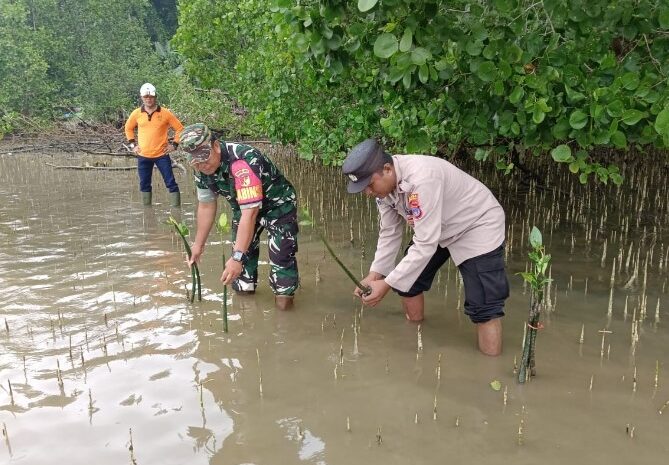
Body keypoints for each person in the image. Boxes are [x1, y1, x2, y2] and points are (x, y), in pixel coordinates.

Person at [343, 139, 509, 356]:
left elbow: (425, 244)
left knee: (484, 307)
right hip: (437, 228)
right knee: (408, 284)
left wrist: (387, 284)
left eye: (369, 185)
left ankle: (491, 370)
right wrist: (375, 275)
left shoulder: (422, 179)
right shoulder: (383, 191)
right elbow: (389, 232)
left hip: (476, 225)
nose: (368, 193)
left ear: (387, 169)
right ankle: (416, 342)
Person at [179, 123, 299, 310]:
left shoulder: (244, 160)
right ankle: (247, 317)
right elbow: (206, 205)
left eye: (204, 157)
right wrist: (198, 245)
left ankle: (284, 315)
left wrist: (236, 258)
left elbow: (250, 215)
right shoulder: (200, 170)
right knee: (241, 273)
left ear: (216, 146)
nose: (201, 165)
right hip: (242, 209)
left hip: (277, 206)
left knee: (281, 260)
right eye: (195, 161)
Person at [124, 82, 184, 206]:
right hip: (143, 155)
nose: (149, 99)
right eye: (146, 97)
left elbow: (180, 128)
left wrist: (174, 145)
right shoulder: (136, 113)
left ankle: (177, 211)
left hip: (162, 155)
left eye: (151, 96)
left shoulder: (165, 113)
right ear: (141, 98)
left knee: (171, 183)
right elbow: (128, 128)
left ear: (155, 97)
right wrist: (132, 145)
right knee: (144, 184)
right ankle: (148, 213)